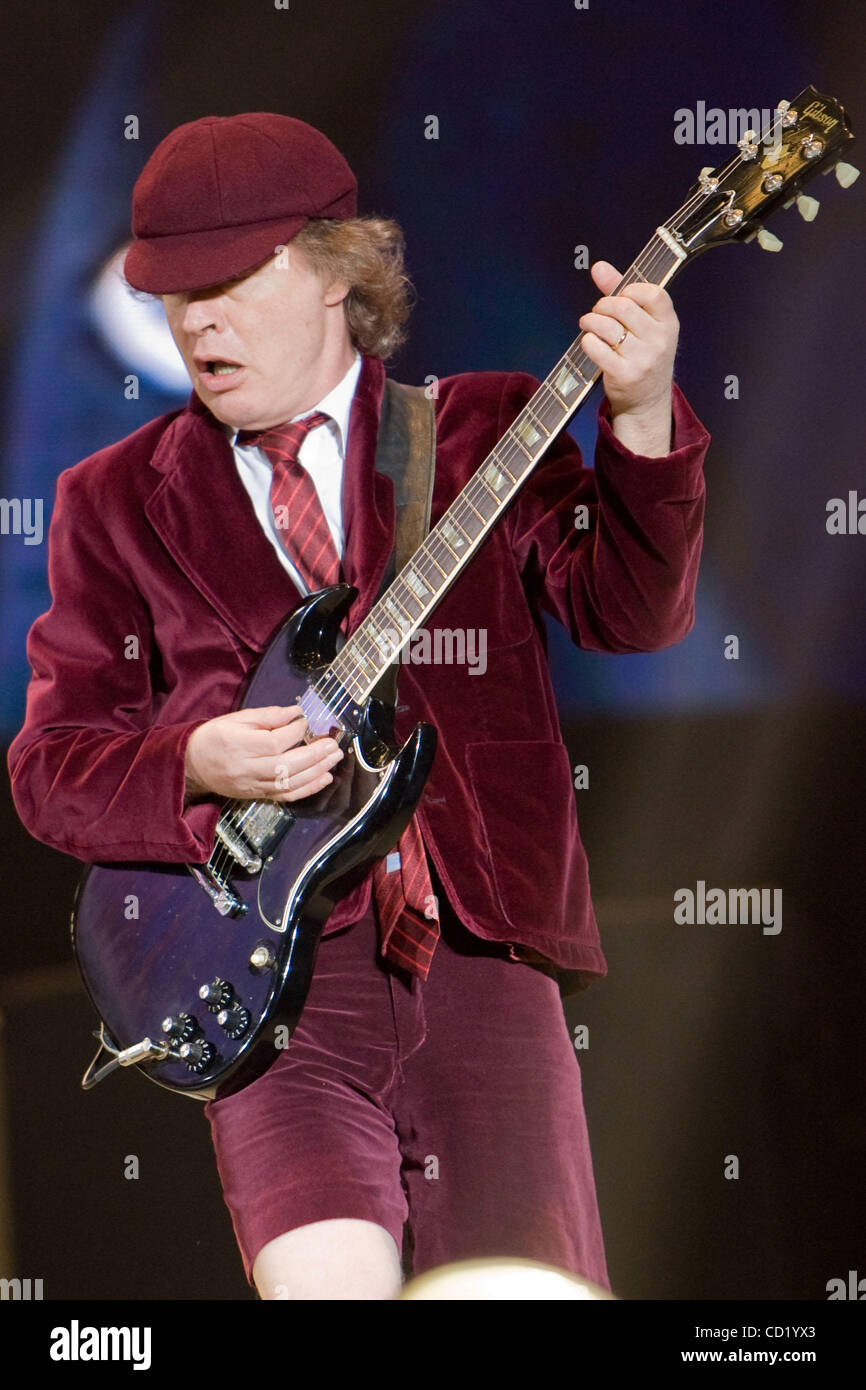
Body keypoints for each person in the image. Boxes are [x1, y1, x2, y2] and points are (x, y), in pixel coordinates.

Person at [7, 113, 710, 1300]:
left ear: (338, 267)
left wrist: (639, 417)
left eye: (228, 281)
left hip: (485, 960)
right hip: (274, 994)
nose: (197, 322)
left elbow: (628, 617)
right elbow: (50, 765)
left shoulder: (478, 429)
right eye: (173, 293)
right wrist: (193, 762)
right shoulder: (111, 500)